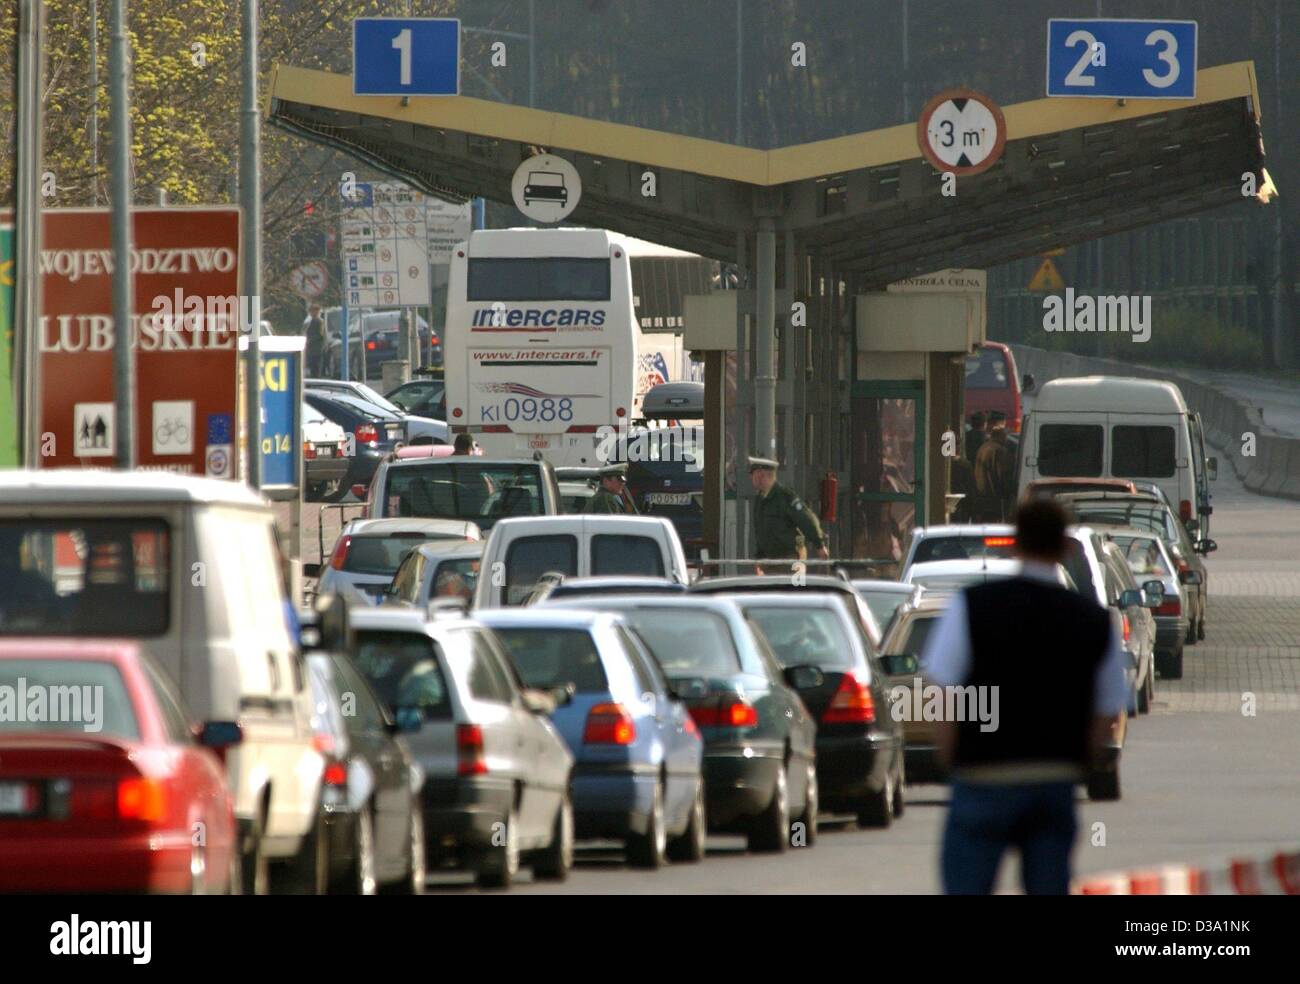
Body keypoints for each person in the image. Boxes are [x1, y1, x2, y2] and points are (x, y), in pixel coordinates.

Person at [920, 499, 1127, 895]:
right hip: (1053, 782)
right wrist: (1078, 762)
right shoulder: (1093, 621)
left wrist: (950, 756)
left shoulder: (972, 607)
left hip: (981, 778)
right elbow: (1108, 710)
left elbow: (941, 691)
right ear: (1065, 548)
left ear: (1014, 544)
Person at [749, 456, 828, 571]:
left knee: (790, 588)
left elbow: (806, 519)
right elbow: (761, 532)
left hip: (788, 561)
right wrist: (759, 559)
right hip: (768, 562)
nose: (751, 478)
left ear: (761, 474)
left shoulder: (785, 496)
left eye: (753, 474)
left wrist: (819, 545)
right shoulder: (760, 500)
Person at [974, 424, 1016, 521]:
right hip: (996, 500)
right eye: (1005, 436)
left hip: (981, 499)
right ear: (1000, 436)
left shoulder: (982, 448)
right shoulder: (1000, 451)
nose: (1006, 439)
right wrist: (1011, 492)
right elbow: (1004, 476)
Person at [303, 304, 325, 377]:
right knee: (312, 368)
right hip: (312, 350)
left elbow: (320, 335)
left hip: (316, 349)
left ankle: (316, 383)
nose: (311, 313)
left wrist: (309, 341)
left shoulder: (319, 321)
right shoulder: (312, 321)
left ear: (317, 311)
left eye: (312, 311)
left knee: (316, 368)